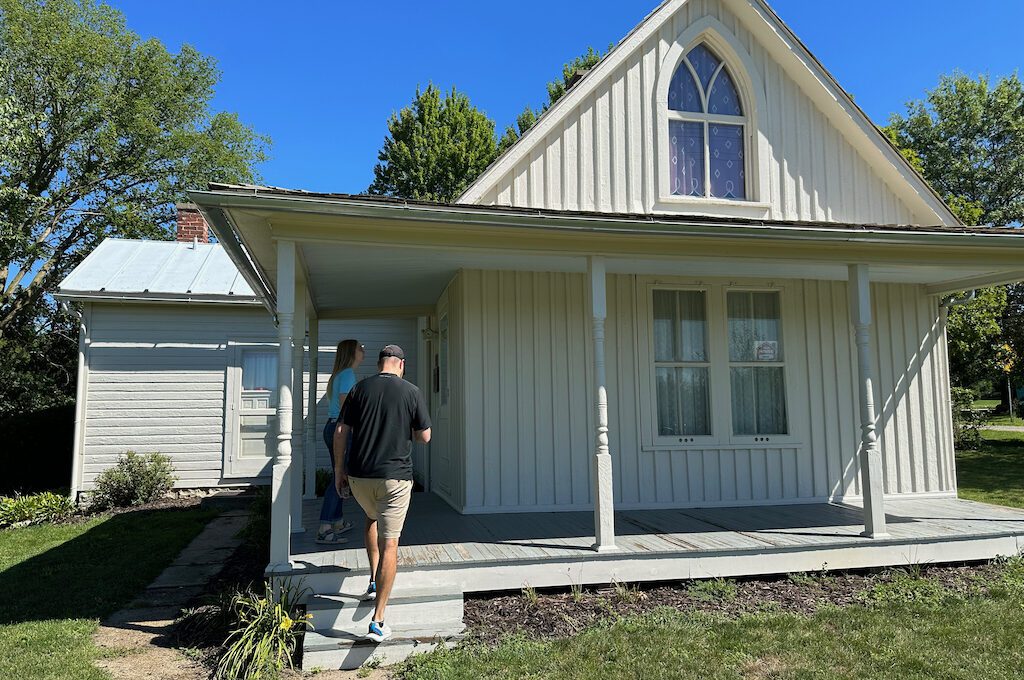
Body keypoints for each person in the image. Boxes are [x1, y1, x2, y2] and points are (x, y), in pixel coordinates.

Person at [334, 344, 431, 643]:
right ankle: (377, 621)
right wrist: (411, 430)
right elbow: (424, 436)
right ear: (401, 364)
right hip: (395, 479)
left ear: (379, 364)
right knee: (391, 544)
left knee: (370, 517)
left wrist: (339, 471)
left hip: (360, 477)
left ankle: (374, 581)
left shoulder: (360, 389)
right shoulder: (411, 391)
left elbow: (341, 430)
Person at [316, 339, 364, 544]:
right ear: (352, 352)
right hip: (341, 430)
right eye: (360, 348)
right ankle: (325, 528)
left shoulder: (341, 374)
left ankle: (337, 521)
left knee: (341, 474)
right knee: (339, 476)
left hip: (334, 428)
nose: (363, 351)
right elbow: (347, 407)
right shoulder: (347, 375)